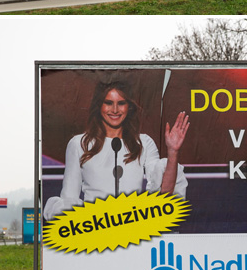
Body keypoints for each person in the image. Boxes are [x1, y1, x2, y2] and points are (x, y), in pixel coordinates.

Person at [43, 80, 189, 220]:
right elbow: (69, 199)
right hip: (94, 229)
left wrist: (173, 151)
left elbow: (164, 195)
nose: (114, 110)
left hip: (133, 229)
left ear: (128, 107)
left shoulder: (143, 143)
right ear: (99, 105)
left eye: (121, 103)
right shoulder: (79, 144)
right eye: (108, 103)